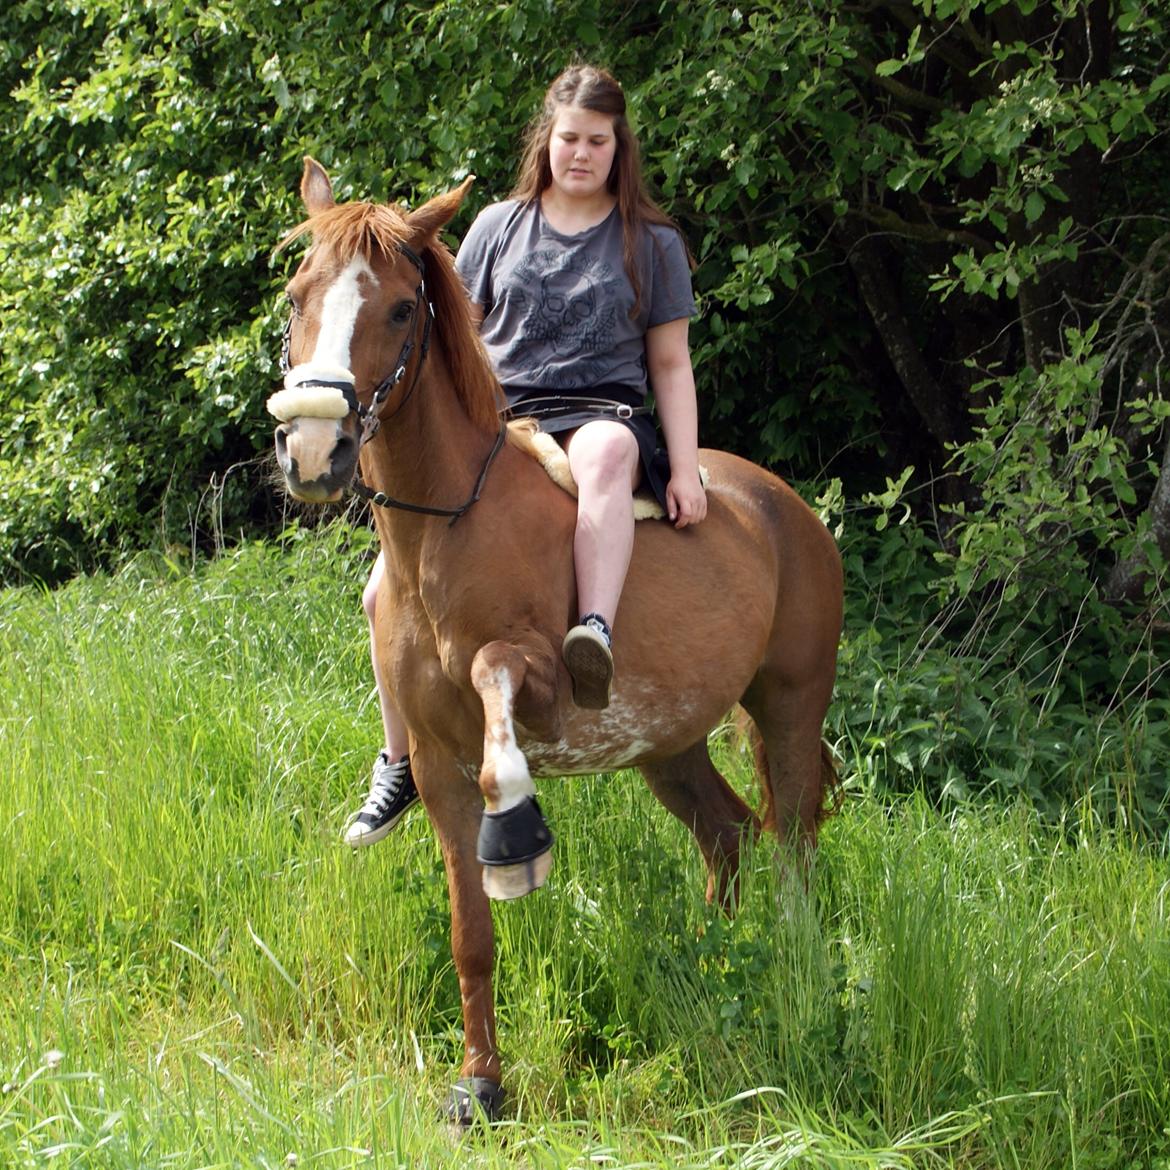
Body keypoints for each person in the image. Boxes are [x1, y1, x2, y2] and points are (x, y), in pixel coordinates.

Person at [343, 63, 706, 847]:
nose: (582, 153)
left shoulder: (652, 242)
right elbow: (451, 342)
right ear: (549, 139)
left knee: (609, 454)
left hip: (599, 413)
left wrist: (681, 466)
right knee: (379, 595)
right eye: (570, 137)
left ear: (618, 147)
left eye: (598, 141)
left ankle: (595, 633)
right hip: (498, 421)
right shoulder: (497, 227)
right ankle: (398, 758)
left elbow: (671, 365)